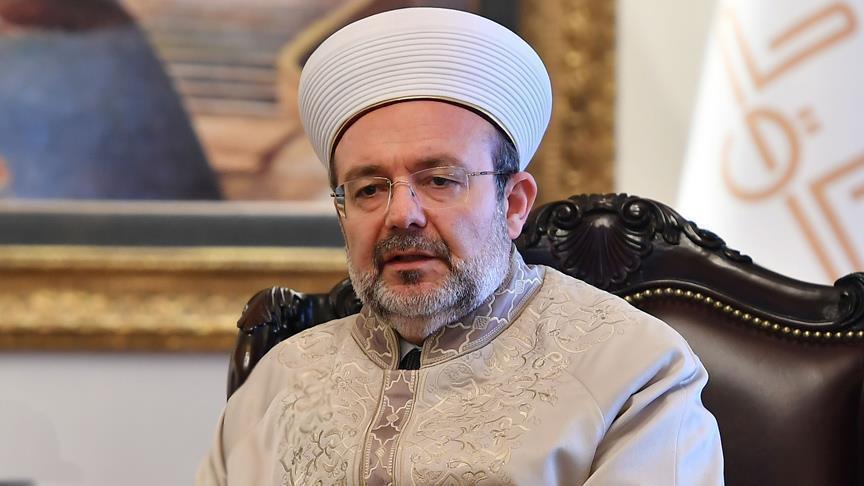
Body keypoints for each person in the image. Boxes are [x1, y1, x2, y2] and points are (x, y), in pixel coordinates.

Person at [197, 7, 724, 485]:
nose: (401, 214)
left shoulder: (633, 372)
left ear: (513, 203)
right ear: (343, 214)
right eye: (369, 189)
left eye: (440, 180)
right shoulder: (279, 383)